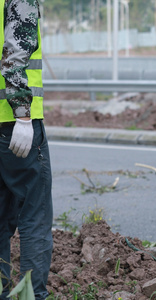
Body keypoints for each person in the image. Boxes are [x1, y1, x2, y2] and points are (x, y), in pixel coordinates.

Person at [0, 0, 53, 299]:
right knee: (34, 216)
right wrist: (22, 113)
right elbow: (17, 50)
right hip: (12, 124)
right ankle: (30, 296)